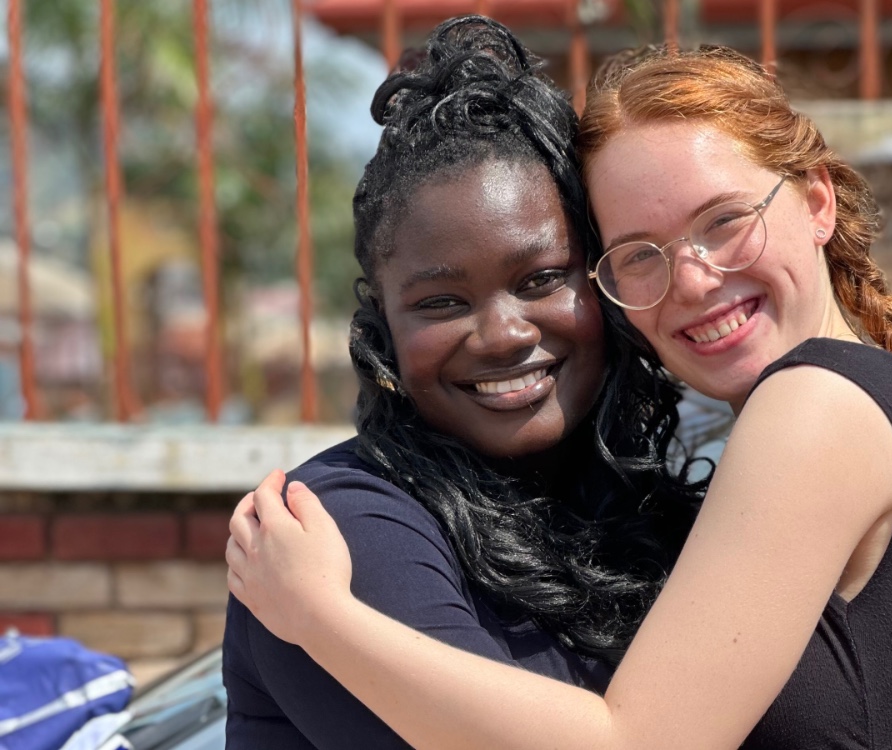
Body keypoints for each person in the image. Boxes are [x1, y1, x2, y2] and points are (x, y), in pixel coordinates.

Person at [228, 42, 892, 749]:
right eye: (640, 254)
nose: (693, 278)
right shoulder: (357, 518)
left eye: (725, 221)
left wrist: (322, 619)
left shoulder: (814, 407)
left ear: (817, 201)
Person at [221, 19, 704, 748]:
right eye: (442, 303)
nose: (504, 333)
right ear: (382, 324)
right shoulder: (340, 534)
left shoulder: (635, 503)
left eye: (541, 279)